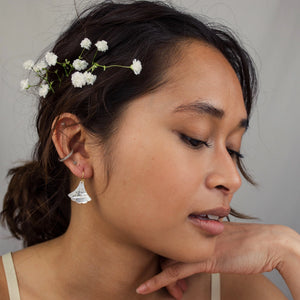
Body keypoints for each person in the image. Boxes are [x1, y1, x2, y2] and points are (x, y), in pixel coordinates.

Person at [0, 1, 299, 299]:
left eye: (234, 149)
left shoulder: (238, 293)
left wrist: (288, 252)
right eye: (195, 138)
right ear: (77, 147)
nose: (232, 179)